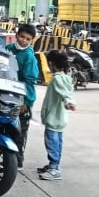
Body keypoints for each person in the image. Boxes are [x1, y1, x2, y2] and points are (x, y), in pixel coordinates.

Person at [38, 49, 76, 181]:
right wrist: (69, 101)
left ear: (51, 63)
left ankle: (54, 169)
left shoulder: (56, 80)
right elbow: (67, 92)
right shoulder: (67, 78)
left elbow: (63, 93)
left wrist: (68, 102)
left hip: (53, 118)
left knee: (51, 142)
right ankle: (54, 165)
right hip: (60, 118)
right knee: (58, 142)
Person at [5, 24, 39, 172]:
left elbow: (30, 81)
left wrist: (27, 102)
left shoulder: (29, 57)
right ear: (16, 35)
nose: (24, 41)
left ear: (32, 41)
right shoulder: (9, 49)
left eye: (28, 39)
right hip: (7, 95)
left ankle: (17, 162)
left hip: (22, 100)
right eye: (22, 37)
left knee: (19, 132)